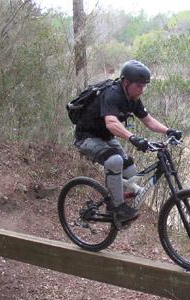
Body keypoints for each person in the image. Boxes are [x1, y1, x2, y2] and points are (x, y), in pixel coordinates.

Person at [74, 59, 182, 226]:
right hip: (86, 138)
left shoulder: (133, 98)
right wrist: (132, 137)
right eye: (139, 85)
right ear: (126, 82)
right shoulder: (112, 94)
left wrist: (168, 131)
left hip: (106, 138)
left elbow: (148, 120)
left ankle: (114, 203)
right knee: (114, 161)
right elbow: (111, 122)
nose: (142, 89)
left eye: (144, 86)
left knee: (130, 170)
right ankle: (118, 208)